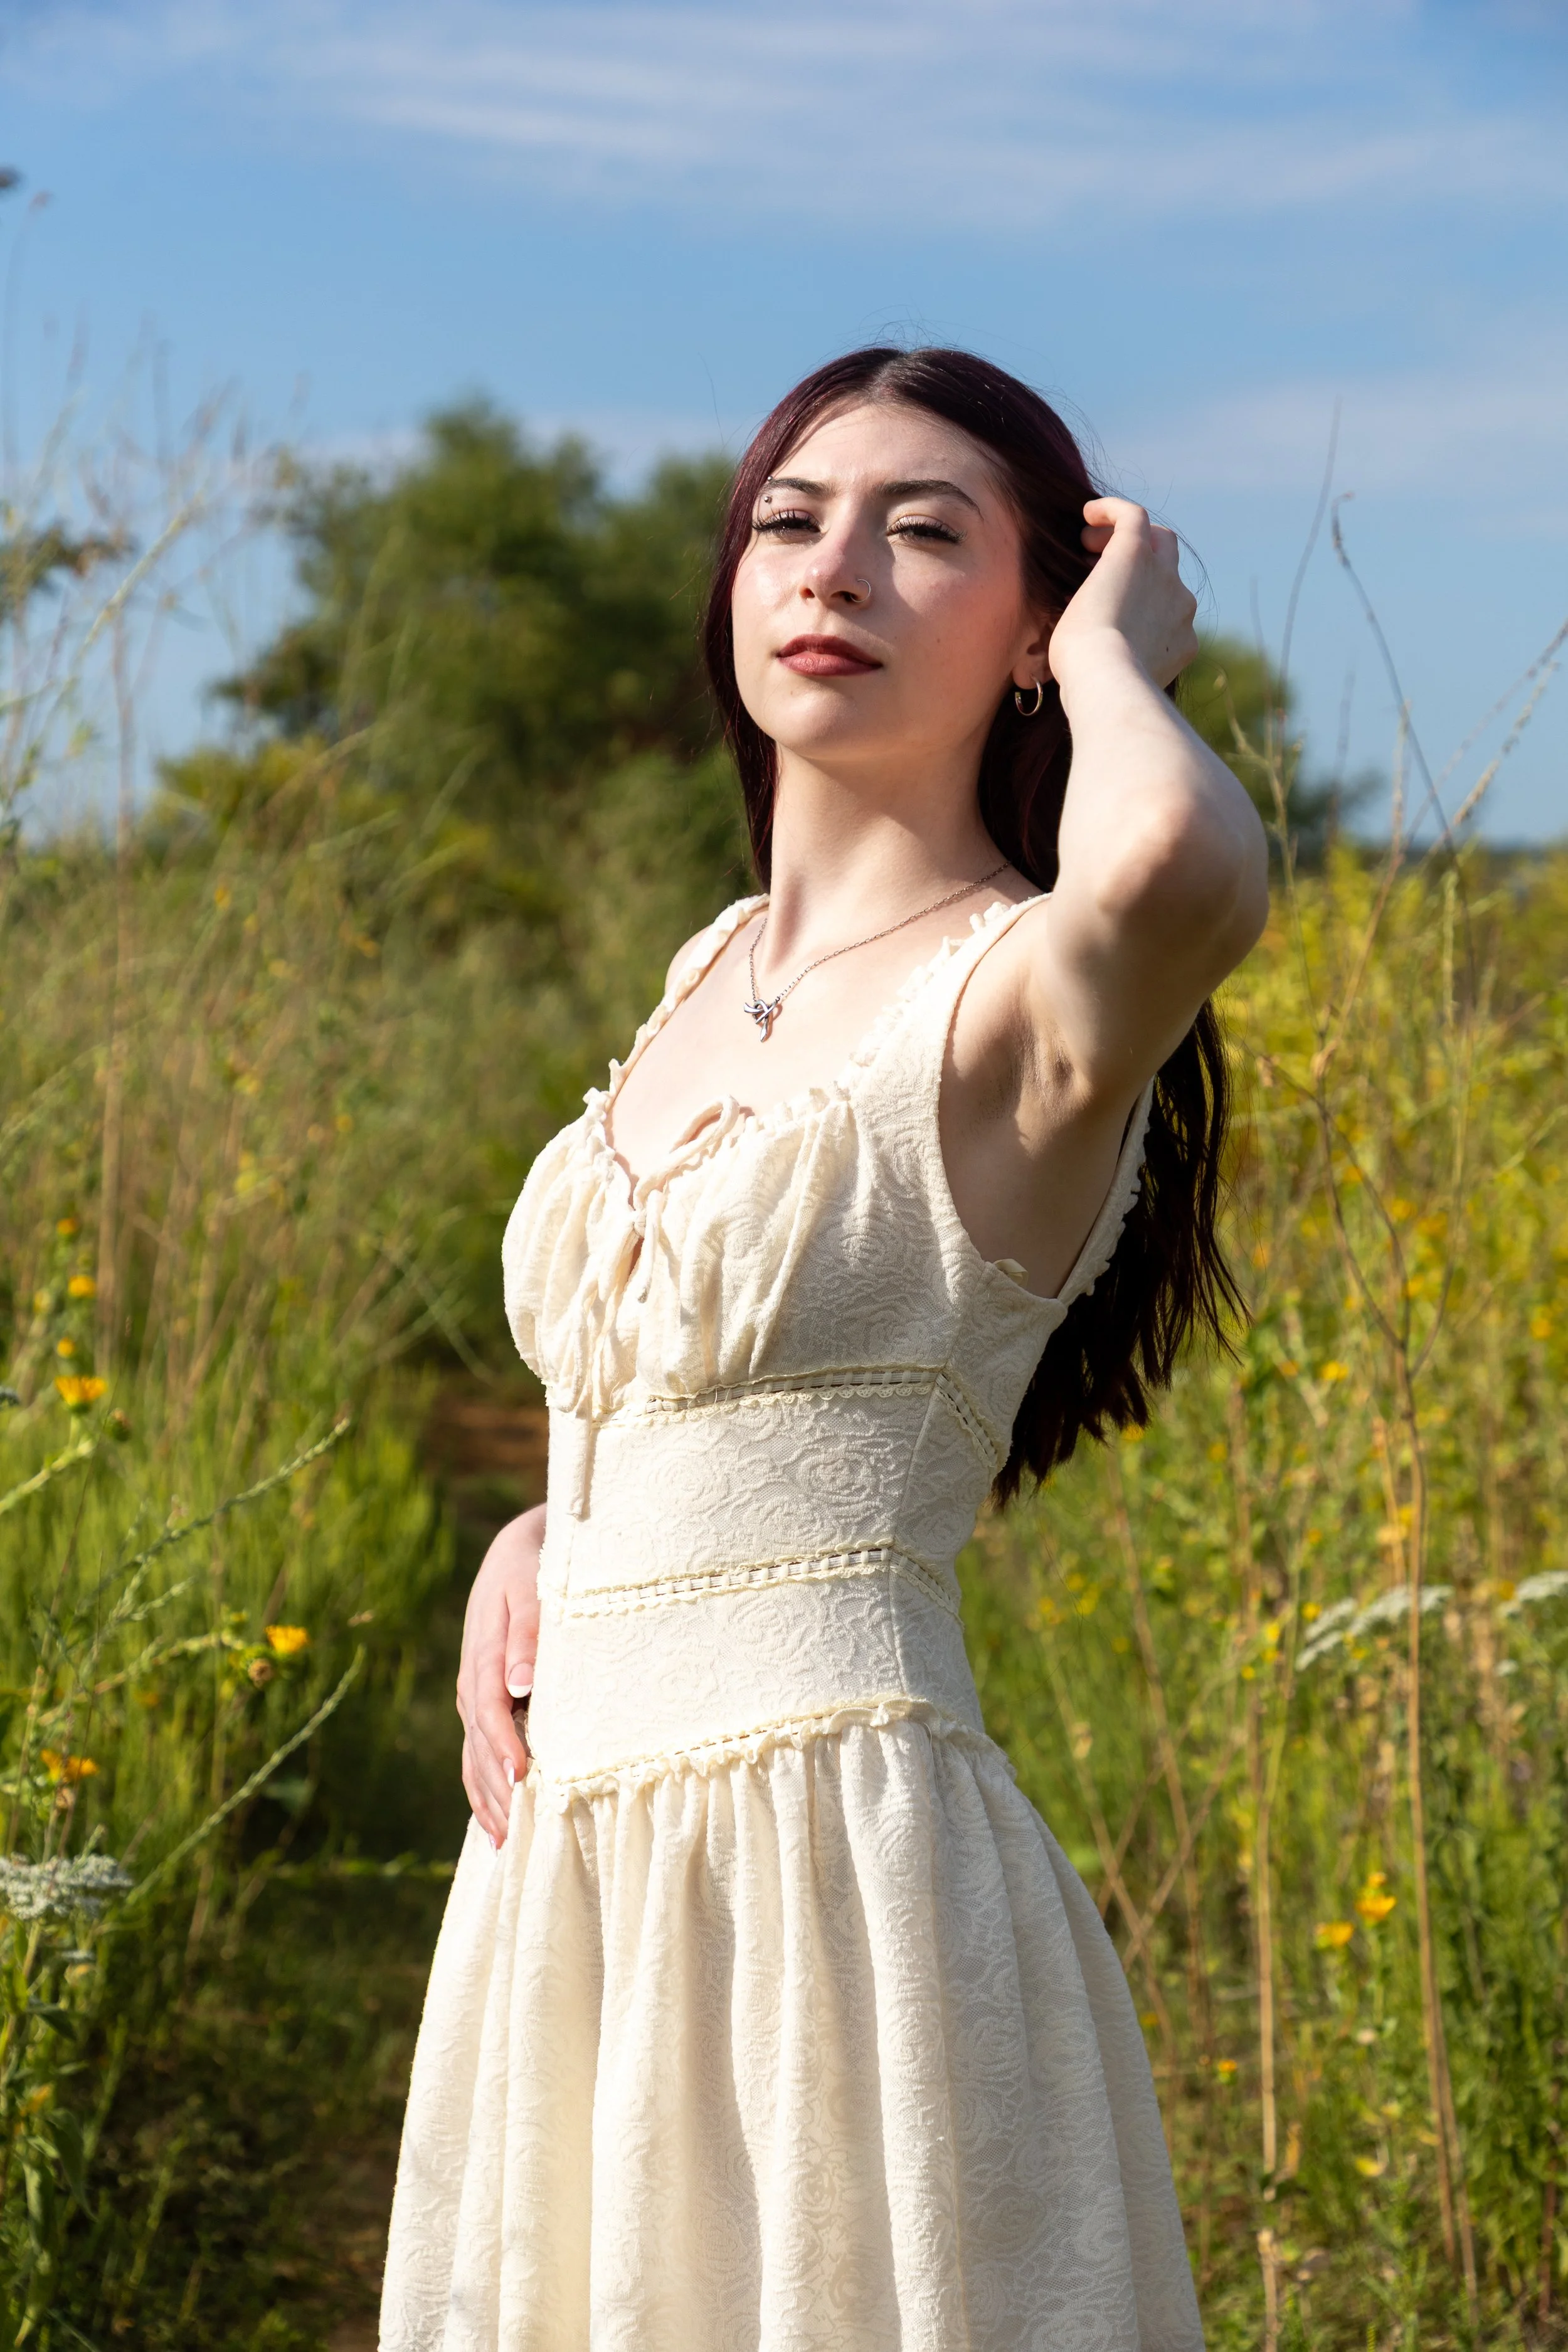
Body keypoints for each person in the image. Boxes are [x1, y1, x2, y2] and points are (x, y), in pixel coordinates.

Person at [379, 346, 1269, 2352]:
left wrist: (1125, 653)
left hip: (831, 1884)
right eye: (790, 519)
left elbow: (1178, 868)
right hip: (574, 1879)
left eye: (922, 531)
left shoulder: (1018, 987)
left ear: (1030, 625)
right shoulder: (708, 967)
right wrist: (558, 1533)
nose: (833, 566)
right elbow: (694, 1356)